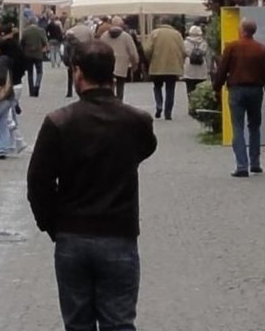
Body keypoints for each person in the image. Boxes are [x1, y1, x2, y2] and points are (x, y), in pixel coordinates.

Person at [26, 38, 157, 331]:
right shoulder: (136, 121)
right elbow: (146, 149)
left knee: (77, 324)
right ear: (112, 72)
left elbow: (38, 182)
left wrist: (52, 224)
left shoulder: (59, 122)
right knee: (120, 323)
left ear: (78, 72)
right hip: (119, 232)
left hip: (72, 233)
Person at [212, 20, 265, 178]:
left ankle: (242, 165)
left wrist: (216, 87)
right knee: (254, 127)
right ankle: (255, 163)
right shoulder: (261, 49)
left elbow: (222, 70)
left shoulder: (232, 47)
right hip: (256, 90)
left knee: (238, 127)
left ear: (241, 30)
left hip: (236, 90)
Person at [145, 19, 186, 120]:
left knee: (157, 87)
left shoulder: (154, 33)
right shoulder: (177, 34)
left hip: (157, 66)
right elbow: (184, 51)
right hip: (173, 66)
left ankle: (159, 104)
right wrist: (180, 61)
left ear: (160, 23)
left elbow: (147, 50)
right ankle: (168, 112)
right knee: (170, 89)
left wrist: (150, 60)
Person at [102, 21, 141, 102]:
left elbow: (99, 49)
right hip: (122, 65)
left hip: (107, 65)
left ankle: (109, 102)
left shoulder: (104, 36)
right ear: (122, 26)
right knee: (120, 86)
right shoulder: (126, 36)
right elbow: (133, 53)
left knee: (109, 86)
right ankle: (119, 103)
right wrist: (135, 63)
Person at [21, 17, 51, 97]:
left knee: (30, 73)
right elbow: (45, 42)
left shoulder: (25, 31)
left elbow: (22, 42)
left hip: (28, 54)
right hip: (38, 54)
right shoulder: (41, 31)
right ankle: (37, 86)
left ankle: (31, 91)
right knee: (39, 72)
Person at [179, 25, 210, 105]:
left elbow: (183, 53)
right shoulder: (203, 42)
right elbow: (205, 54)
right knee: (200, 88)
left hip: (189, 68)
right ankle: (198, 103)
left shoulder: (185, 42)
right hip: (201, 68)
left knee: (189, 88)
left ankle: (191, 103)